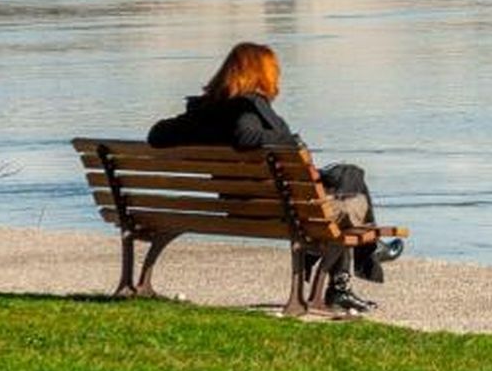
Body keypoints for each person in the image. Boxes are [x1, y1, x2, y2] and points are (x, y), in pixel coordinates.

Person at [147, 41, 403, 313]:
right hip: (283, 212)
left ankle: (355, 266)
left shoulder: (205, 112)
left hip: (237, 206)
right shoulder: (246, 108)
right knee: (355, 195)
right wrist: (289, 140)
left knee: (347, 175)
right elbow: (245, 136)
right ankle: (356, 265)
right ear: (262, 74)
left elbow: (156, 135)